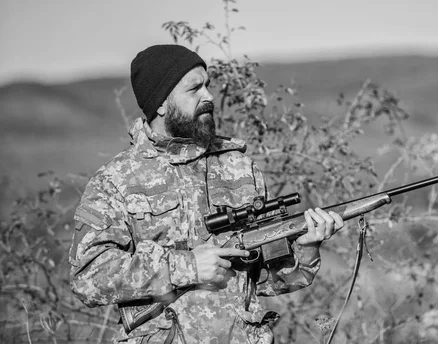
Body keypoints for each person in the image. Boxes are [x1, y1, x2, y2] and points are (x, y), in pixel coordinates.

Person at [69, 44, 344, 344]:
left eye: (208, 85)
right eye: (194, 88)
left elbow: (266, 281)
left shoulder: (239, 167)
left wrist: (306, 247)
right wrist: (186, 267)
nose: (209, 96)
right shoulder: (116, 180)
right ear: (161, 103)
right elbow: (88, 278)